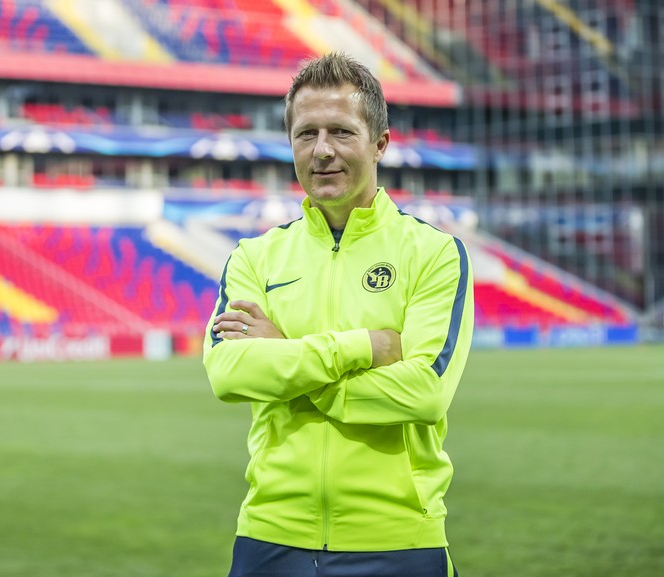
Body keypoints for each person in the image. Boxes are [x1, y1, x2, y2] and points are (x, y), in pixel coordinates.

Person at [202, 52, 474, 577]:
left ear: (380, 144)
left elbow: (425, 393)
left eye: (341, 132)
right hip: (268, 538)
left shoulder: (434, 252)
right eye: (306, 134)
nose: (322, 150)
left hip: (399, 542)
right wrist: (365, 347)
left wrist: (283, 355)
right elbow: (228, 373)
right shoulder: (254, 256)